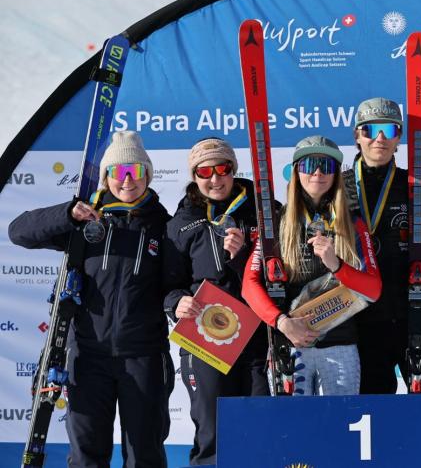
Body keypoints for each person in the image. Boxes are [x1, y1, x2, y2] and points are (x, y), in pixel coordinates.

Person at [9, 131, 174, 467]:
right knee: (87, 456)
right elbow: (18, 231)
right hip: (87, 356)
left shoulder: (164, 227)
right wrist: (67, 213)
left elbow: (176, 284)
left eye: (136, 172)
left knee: (144, 455)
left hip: (143, 358)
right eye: (119, 173)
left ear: (148, 175)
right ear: (107, 177)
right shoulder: (86, 222)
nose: (128, 182)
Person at [242, 135, 381, 396]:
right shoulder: (276, 222)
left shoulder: (353, 223)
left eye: (326, 166)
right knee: (292, 431)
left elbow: (373, 290)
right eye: (309, 165)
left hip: (340, 345)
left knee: (340, 428)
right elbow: (249, 284)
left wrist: (337, 265)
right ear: (296, 172)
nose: (318, 172)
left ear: (336, 174)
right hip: (291, 344)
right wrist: (282, 322)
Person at [162, 137, 269, 466]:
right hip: (205, 338)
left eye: (222, 168)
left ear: (233, 170)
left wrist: (243, 258)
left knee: (259, 428)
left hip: (256, 336)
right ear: (194, 175)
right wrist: (175, 302)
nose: (215, 178)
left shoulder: (264, 211)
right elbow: (166, 284)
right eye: (205, 170)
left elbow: (283, 273)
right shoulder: (180, 224)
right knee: (213, 434)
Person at [342, 97, 421, 394]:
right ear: (357, 135)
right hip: (361, 317)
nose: (379, 139)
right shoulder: (338, 187)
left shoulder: (413, 184)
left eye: (389, 131)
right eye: (370, 130)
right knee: (374, 413)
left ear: (399, 138)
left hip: (414, 313)